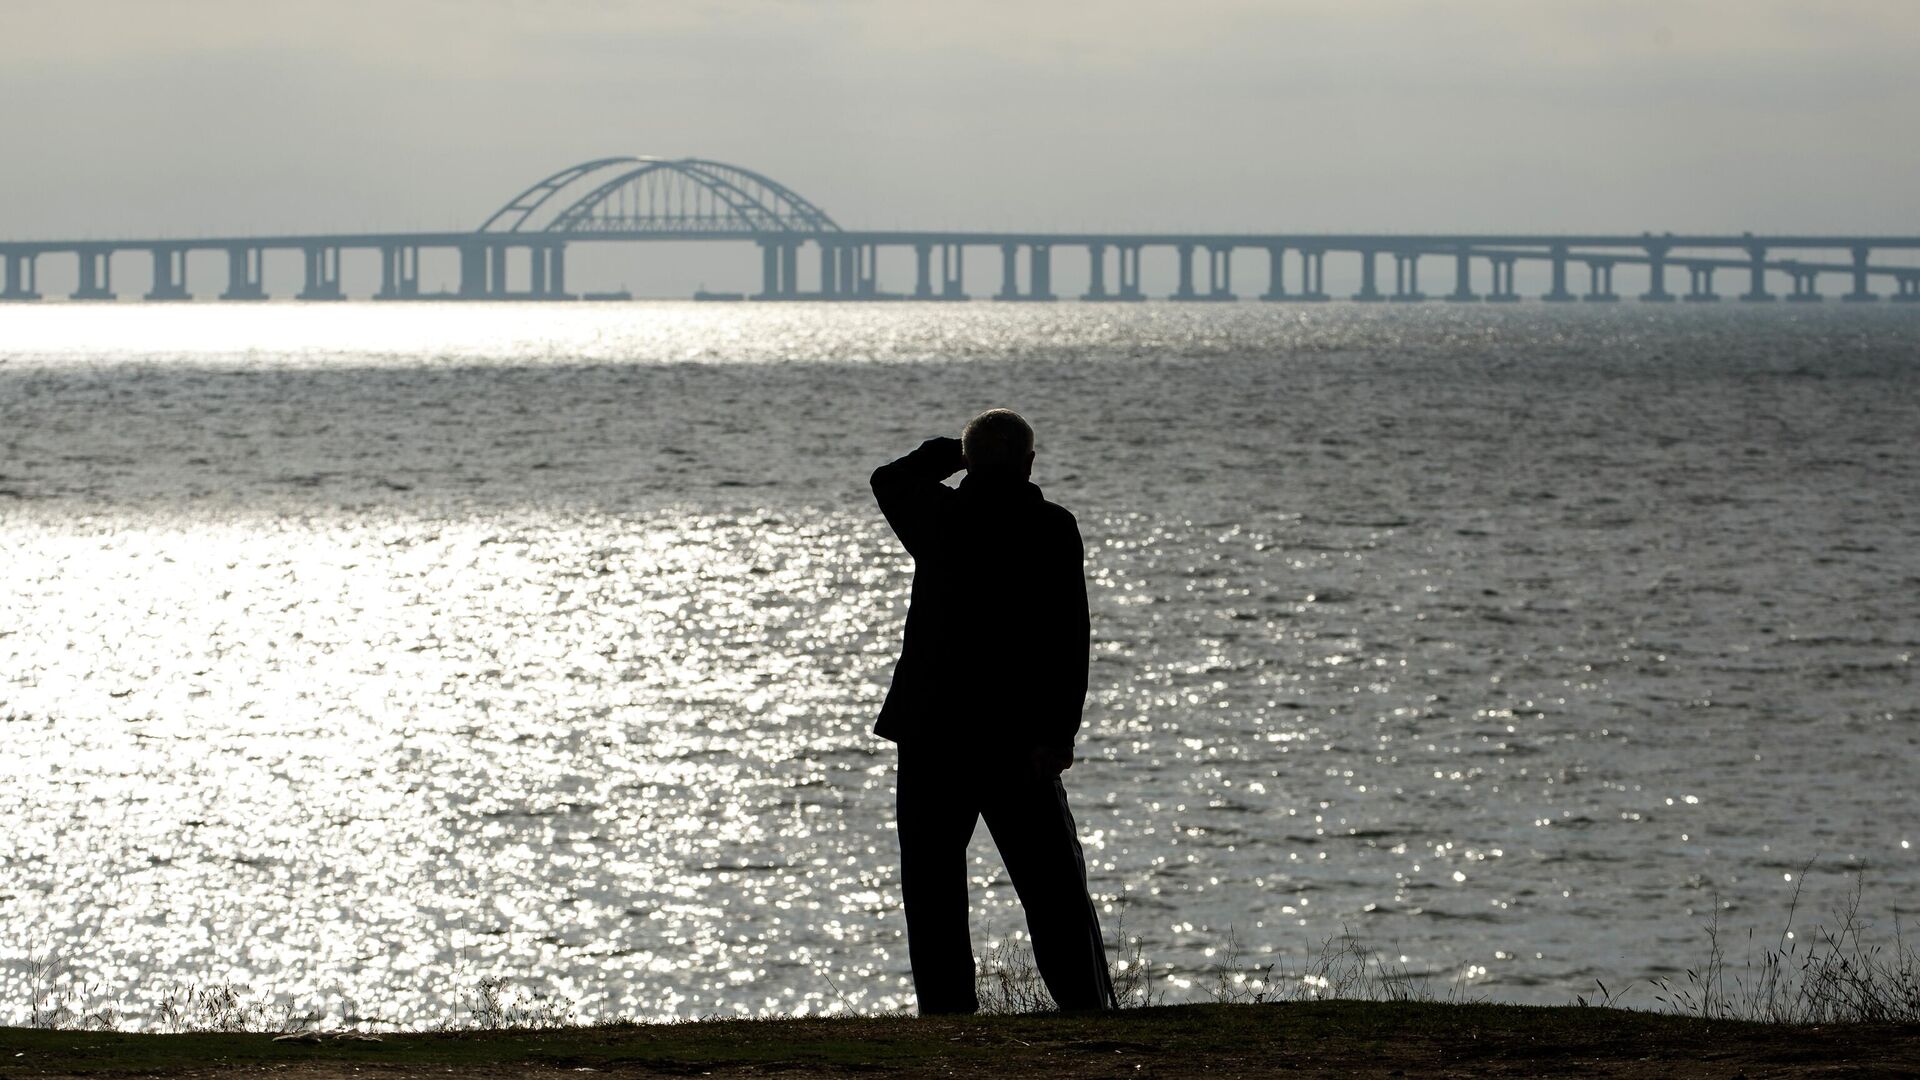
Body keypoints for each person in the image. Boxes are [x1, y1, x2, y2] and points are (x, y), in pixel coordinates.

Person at [870, 407, 1115, 1014]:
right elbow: (1070, 639)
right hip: (1019, 738)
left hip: (932, 734)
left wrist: (951, 454)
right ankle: (1084, 1005)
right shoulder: (1053, 528)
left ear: (969, 460)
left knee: (932, 888)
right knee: (1054, 887)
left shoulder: (938, 516)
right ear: (1030, 463)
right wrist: (1059, 734)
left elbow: (889, 478)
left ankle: (946, 1013)